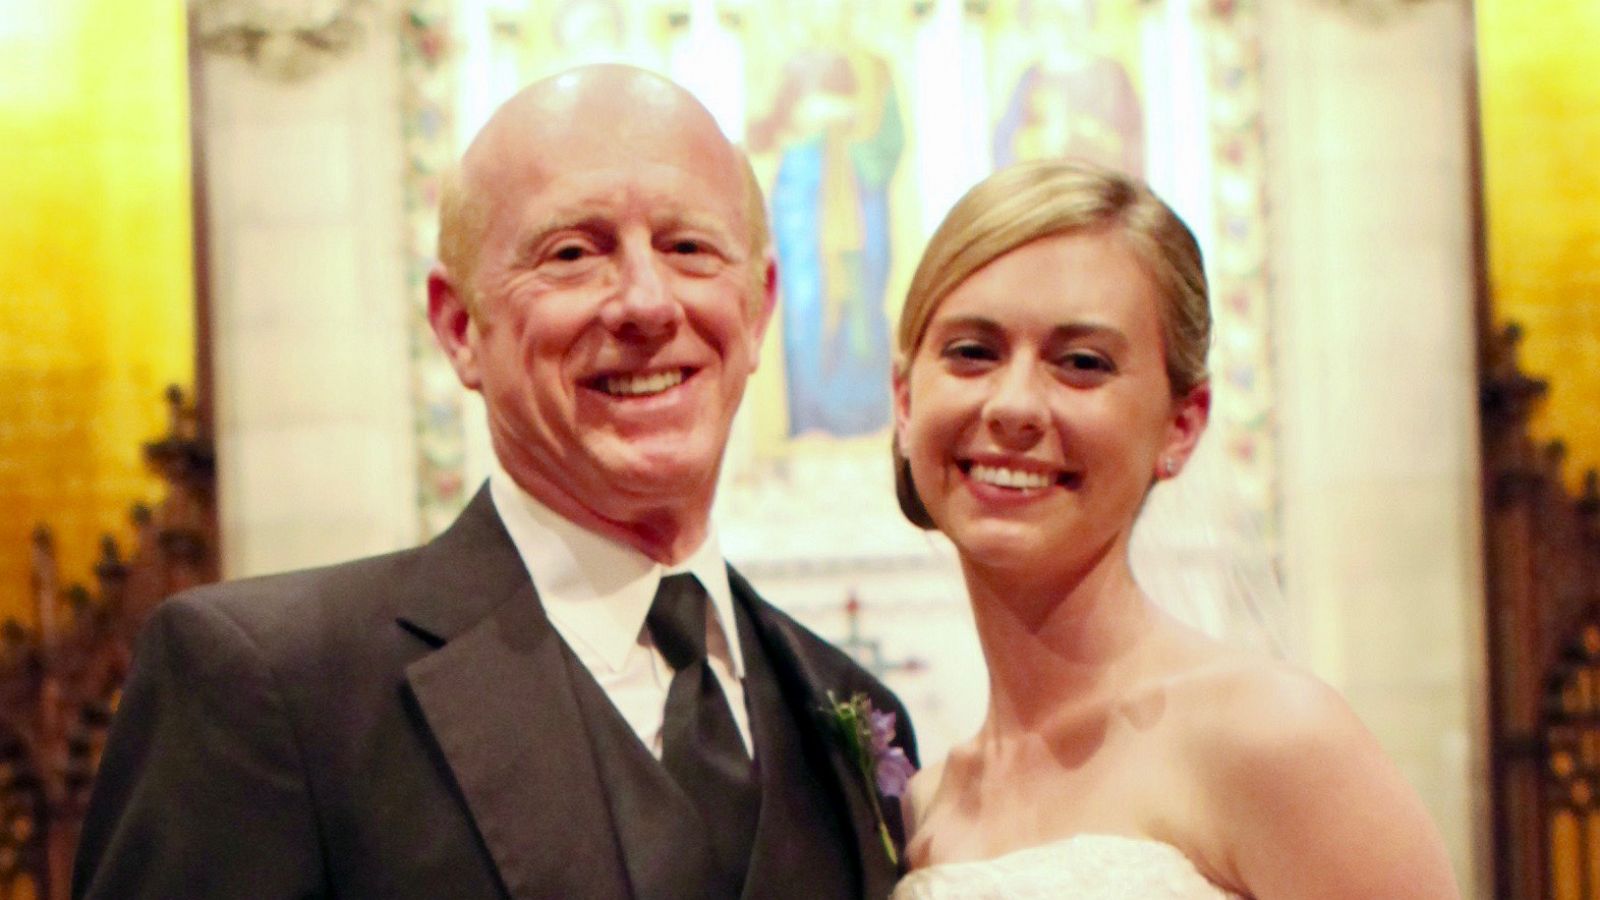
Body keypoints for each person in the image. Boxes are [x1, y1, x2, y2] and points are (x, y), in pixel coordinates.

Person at [73, 64, 916, 900]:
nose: (647, 303)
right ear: (458, 327)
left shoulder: (852, 710)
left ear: (761, 305)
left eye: (689, 247)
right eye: (574, 253)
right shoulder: (270, 687)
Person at [885, 160, 1458, 899]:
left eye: (1081, 363)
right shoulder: (926, 807)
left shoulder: (1272, 739)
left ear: (1182, 426)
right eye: (972, 352)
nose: (1014, 405)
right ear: (905, 401)